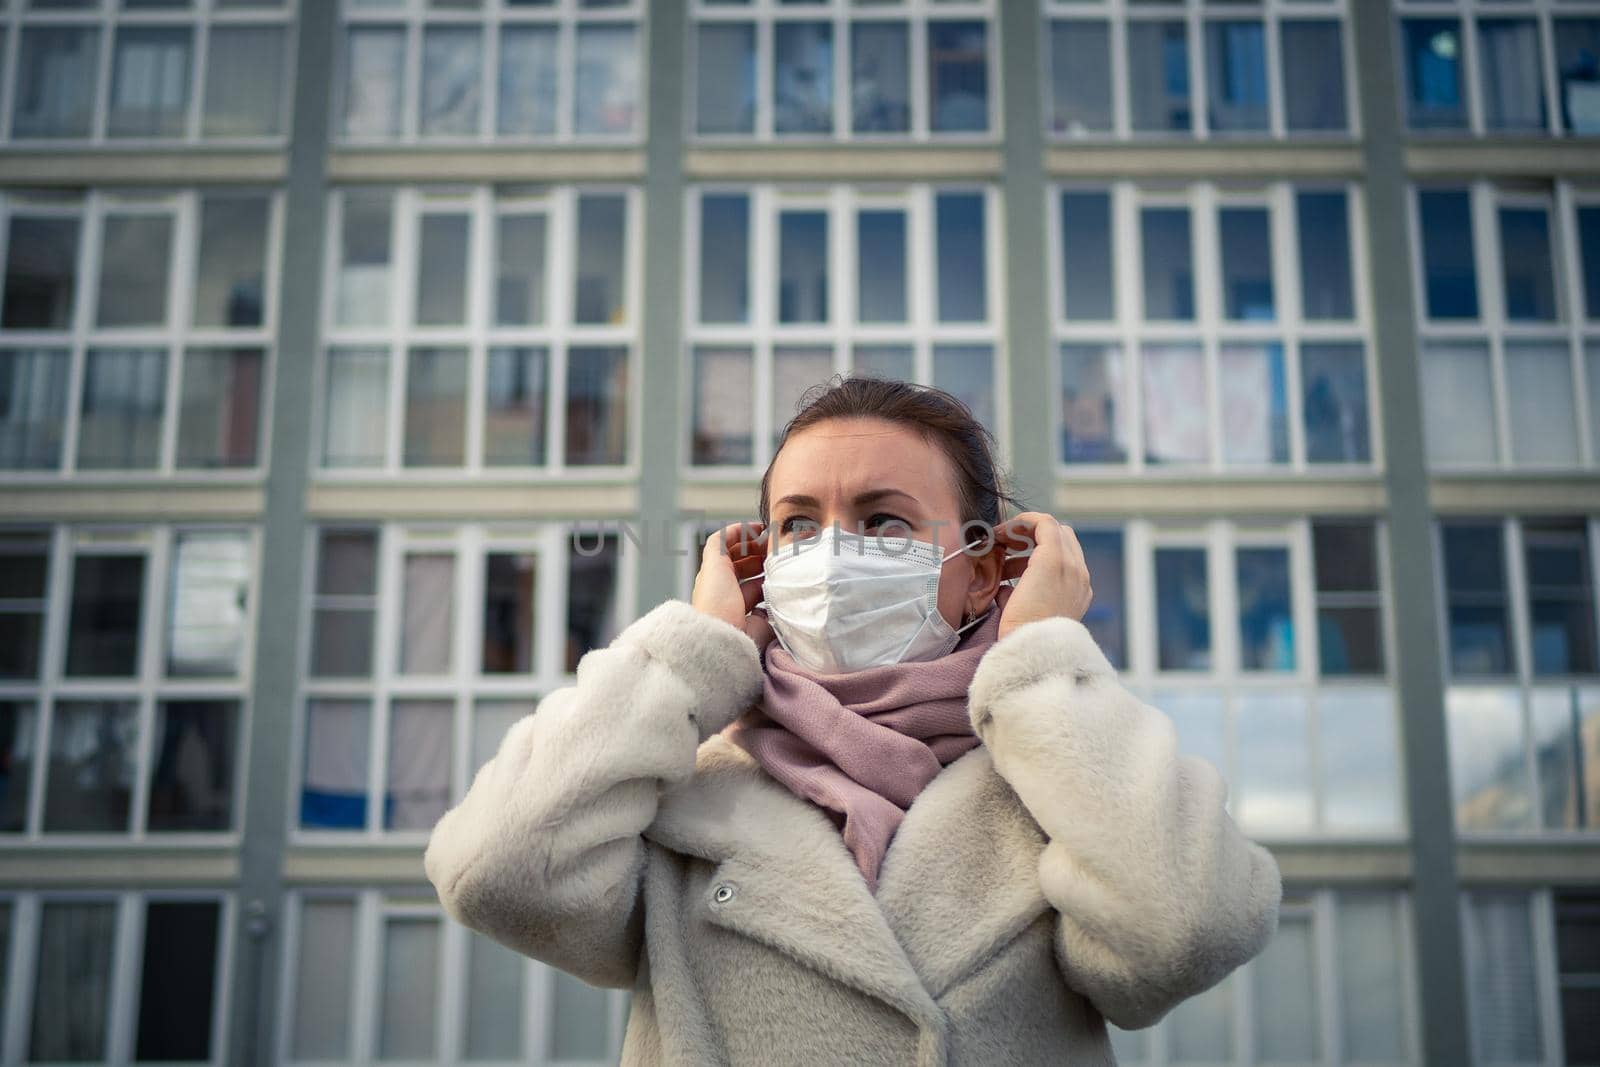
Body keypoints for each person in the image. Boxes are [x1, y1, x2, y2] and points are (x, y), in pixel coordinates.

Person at [424, 376, 1282, 1066]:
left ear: (983, 574)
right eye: (798, 525)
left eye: (882, 519)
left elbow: (1185, 931)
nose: (833, 553)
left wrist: (1045, 664)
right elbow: (497, 870)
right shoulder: (679, 789)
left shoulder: (1060, 785)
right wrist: (696, 651)